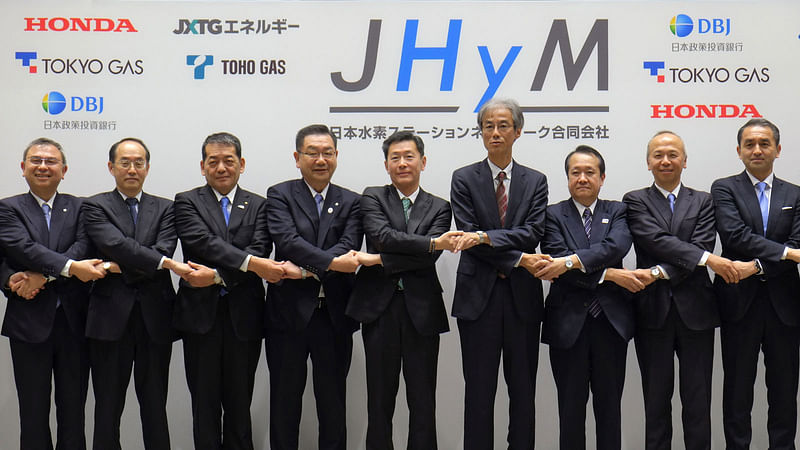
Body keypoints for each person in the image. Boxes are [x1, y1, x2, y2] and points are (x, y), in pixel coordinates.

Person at [623, 131, 738, 450]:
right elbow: (653, 239)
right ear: (648, 162)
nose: (665, 160)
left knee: (698, 404)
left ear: (685, 161)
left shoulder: (703, 200)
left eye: (673, 154)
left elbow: (701, 246)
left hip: (697, 313)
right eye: (658, 154)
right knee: (656, 404)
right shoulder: (635, 200)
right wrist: (703, 259)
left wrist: (660, 270)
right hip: (652, 313)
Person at [348, 131, 460, 449]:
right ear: (386, 164)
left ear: (423, 162)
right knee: (379, 400)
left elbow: (430, 259)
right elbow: (383, 236)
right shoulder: (372, 197)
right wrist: (430, 243)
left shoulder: (440, 206)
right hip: (379, 309)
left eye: (409, 156)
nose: (402, 163)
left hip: (422, 311)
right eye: (395, 158)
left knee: (423, 401)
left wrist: (378, 259)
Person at [449, 98, 550, 449]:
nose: (495, 132)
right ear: (480, 132)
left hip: (522, 300)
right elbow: (467, 237)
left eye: (503, 125)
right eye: (488, 126)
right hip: (478, 300)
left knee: (523, 392)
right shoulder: (463, 178)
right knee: (478, 392)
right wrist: (519, 259)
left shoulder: (536, 181)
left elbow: (533, 231)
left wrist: (487, 236)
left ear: (517, 131)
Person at [173, 132, 283, 450]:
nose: (221, 167)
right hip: (199, 318)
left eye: (228, 160)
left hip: (244, 318)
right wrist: (249, 263)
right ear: (203, 166)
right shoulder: (187, 201)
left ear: (241, 164)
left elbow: (260, 248)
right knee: (204, 405)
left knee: (239, 404)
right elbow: (200, 242)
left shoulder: (260, 205)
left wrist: (220, 276)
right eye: (213, 161)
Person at [82, 137, 191, 450]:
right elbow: (112, 243)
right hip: (109, 321)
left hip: (155, 320)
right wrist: (156, 262)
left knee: (156, 408)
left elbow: (163, 250)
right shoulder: (94, 205)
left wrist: (115, 267)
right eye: (125, 162)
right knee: (107, 408)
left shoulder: (168, 208)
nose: (132, 169)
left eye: (138, 162)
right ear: (111, 167)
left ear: (147, 167)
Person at [0, 138, 106, 450]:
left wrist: (43, 275)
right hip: (28, 324)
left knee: (73, 414)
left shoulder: (82, 207)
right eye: (36, 161)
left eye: (51, 161)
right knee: (32, 414)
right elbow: (22, 249)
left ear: (64, 170)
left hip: (75, 324)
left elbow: (82, 248)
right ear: (23, 168)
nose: (43, 166)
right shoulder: (8, 209)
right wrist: (64, 268)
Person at [264, 124, 362, 450]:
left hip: (334, 315)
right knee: (284, 403)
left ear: (336, 156)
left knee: (333, 405)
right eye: (312, 153)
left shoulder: (352, 201)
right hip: (288, 315)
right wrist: (332, 264)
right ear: (297, 157)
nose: (321, 159)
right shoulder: (279, 194)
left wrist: (308, 270)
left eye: (327, 153)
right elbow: (288, 242)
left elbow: (349, 244)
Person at [536, 145, 638, 450]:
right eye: (575, 172)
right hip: (567, 326)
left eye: (589, 172)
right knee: (570, 413)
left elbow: (615, 248)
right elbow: (554, 256)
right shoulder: (552, 214)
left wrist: (570, 261)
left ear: (602, 177)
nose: (582, 178)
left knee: (610, 411)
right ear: (567, 178)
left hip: (610, 324)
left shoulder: (617, 210)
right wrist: (610, 275)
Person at [711, 118, 800, 450]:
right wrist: (785, 254)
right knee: (736, 389)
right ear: (739, 151)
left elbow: (799, 242)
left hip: (785, 306)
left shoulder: (796, 194)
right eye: (750, 144)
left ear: (778, 150)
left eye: (764, 144)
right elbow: (735, 235)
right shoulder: (724, 188)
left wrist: (758, 265)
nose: (757, 150)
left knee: (784, 389)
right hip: (739, 301)